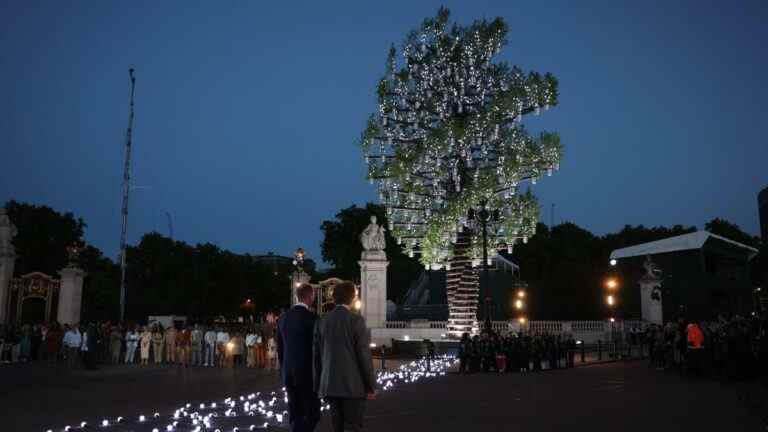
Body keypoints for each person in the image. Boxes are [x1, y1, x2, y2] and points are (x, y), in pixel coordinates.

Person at [313, 281, 376, 432]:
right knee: (352, 427)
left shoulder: (322, 321)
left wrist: (318, 385)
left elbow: (316, 356)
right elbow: (364, 356)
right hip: (353, 385)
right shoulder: (356, 320)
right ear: (353, 298)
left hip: (330, 384)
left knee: (337, 427)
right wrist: (370, 385)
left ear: (333, 298)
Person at [277, 283, 320, 432]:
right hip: (308, 374)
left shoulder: (283, 318)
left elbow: (280, 349)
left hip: (288, 373)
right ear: (311, 297)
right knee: (313, 413)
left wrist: (284, 369)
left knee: (295, 414)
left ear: (296, 297)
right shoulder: (313, 318)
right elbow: (317, 349)